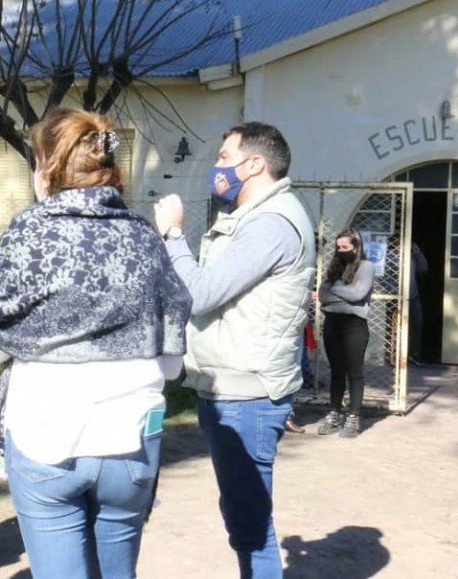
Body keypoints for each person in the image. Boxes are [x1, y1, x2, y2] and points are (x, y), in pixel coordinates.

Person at [0, 107, 191, 579]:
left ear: (46, 166)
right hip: (132, 439)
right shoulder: (145, 238)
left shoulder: (29, 232)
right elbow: (173, 363)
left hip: (46, 436)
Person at [154, 121, 315, 578]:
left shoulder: (271, 224)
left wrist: (171, 236)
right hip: (235, 390)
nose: (217, 167)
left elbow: (202, 293)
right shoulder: (255, 218)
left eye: (224, 157)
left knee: (250, 528)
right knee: (245, 520)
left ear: (255, 163)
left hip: (247, 397)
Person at [316, 229, 374, 438]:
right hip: (332, 324)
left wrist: (333, 290)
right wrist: (336, 292)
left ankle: (354, 416)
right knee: (336, 371)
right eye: (338, 247)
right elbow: (322, 294)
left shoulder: (366, 267)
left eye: (345, 248)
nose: (341, 251)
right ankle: (334, 413)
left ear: (356, 247)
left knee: (354, 372)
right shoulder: (335, 267)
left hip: (354, 326)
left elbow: (359, 293)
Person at [408, 241, 429, 366]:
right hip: (397, 296)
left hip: (413, 295)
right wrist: (392, 290)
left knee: (417, 324)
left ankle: (414, 354)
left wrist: (418, 254)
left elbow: (423, 269)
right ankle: (396, 353)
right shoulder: (392, 255)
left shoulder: (413, 257)